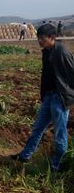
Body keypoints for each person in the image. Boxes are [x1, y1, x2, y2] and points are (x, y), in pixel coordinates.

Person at [11, 23, 74, 171]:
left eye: (42, 38)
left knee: (60, 132)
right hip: (49, 96)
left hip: (60, 97)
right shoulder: (46, 51)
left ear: (52, 37)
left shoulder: (62, 52)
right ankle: (25, 156)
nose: (39, 41)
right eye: (38, 38)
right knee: (38, 128)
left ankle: (57, 165)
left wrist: (69, 96)